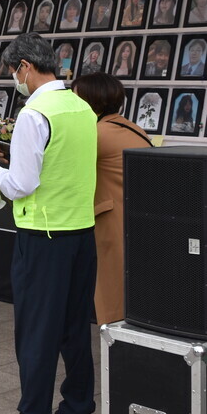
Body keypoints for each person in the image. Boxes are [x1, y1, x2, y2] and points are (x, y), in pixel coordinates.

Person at [0, 35, 98, 414]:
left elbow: (21, 184)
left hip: (43, 235)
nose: (14, 79)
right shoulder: (81, 106)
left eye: (12, 71)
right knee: (74, 327)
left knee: (37, 330)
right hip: (81, 231)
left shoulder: (33, 112)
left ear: (24, 66)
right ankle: (78, 411)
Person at [71, 73, 151, 326]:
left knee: (112, 293)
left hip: (111, 220)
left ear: (90, 101)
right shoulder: (130, 127)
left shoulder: (97, 133)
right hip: (135, 217)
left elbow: (58, 165)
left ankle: (118, 349)